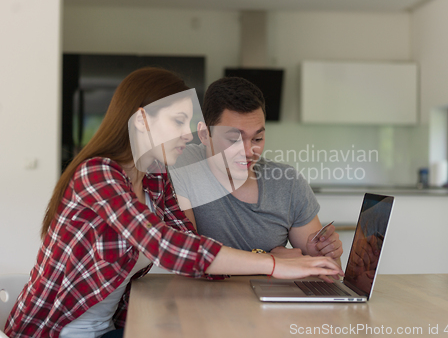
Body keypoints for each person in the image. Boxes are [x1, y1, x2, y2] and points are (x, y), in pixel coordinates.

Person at [5, 68, 343, 338]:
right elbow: (164, 245)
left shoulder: (154, 180)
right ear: (141, 121)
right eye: (178, 122)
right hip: (55, 331)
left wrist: (265, 261)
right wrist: (271, 262)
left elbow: (191, 249)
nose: (187, 134)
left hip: (112, 327)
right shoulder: (98, 174)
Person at [170, 77, 343, 266]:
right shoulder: (181, 164)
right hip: (202, 295)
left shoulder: (289, 183)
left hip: (268, 295)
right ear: (204, 134)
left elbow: (328, 270)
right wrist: (270, 261)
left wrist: (322, 254)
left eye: (258, 139)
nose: (248, 152)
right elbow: (187, 256)